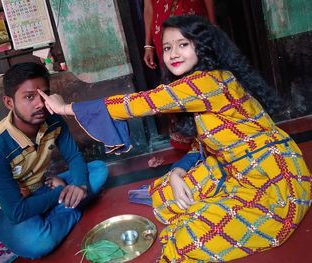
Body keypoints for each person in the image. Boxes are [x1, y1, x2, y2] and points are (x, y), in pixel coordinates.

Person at [38, 16, 311, 262]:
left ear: (201, 47)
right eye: (167, 48)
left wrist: (65, 108)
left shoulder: (209, 82)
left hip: (273, 179)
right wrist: (179, 172)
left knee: (187, 238)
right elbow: (202, 144)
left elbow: (141, 102)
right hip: (237, 168)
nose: (173, 54)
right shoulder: (199, 83)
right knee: (169, 194)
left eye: (183, 45)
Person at [0, 62, 108, 259]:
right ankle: (70, 208)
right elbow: (16, 212)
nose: (40, 103)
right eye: (29, 97)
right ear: (9, 102)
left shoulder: (54, 121)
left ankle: (57, 208)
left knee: (99, 170)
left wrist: (80, 185)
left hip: (40, 187)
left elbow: (73, 156)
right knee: (38, 243)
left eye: (44, 94)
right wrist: (60, 190)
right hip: (6, 207)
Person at [143, 0, 216, 151]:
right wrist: (148, 44)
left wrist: (213, 24)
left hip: (192, 23)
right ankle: (188, 137)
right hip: (163, 28)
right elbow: (148, 8)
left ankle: (214, 129)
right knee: (176, 81)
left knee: (201, 75)